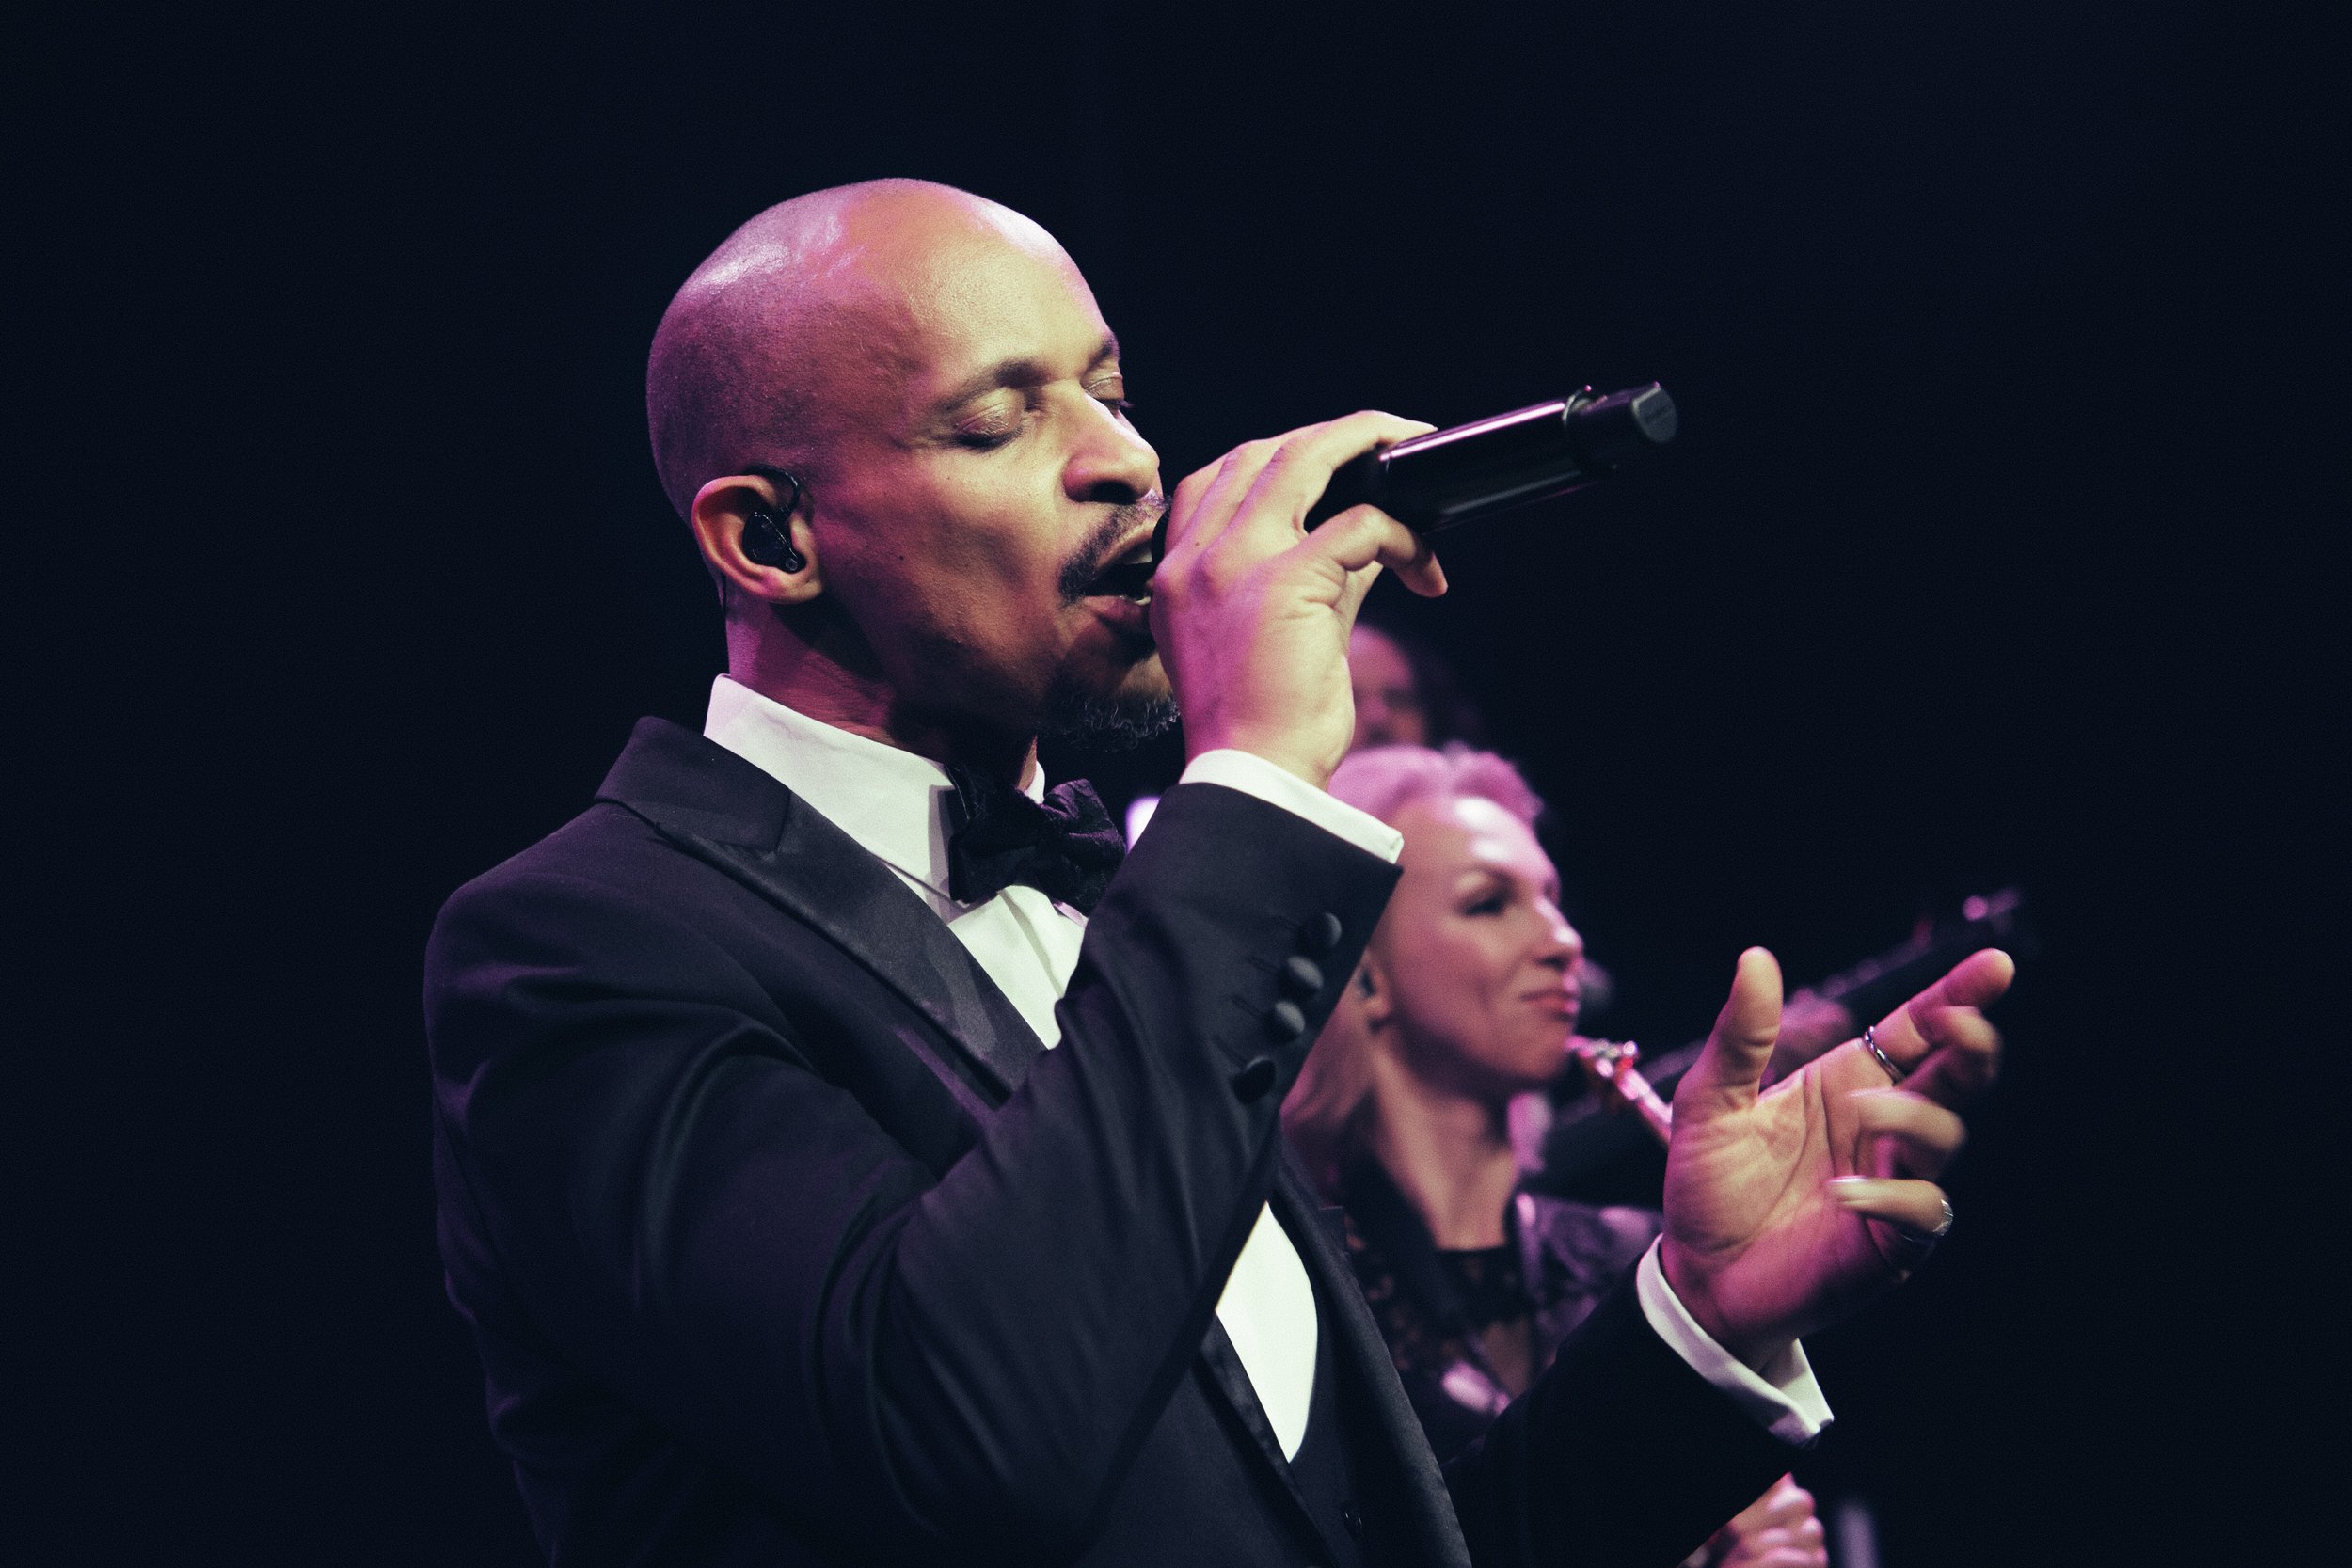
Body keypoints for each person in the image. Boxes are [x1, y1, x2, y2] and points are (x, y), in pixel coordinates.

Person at [424, 178, 2010, 1567]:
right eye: (1002, 417)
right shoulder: (584, 944)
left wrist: (1700, 1320)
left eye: (1112, 392)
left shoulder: (1137, 921)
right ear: (771, 540)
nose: (1126, 460)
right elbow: (971, 1442)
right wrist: (1249, 776)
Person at [1285, 746, 1827, 1567]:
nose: (1566, 941)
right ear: (1364, 973)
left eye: (1553, 900)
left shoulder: (1637, 1257)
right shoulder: (1295, 1294)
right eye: (1490, 903)